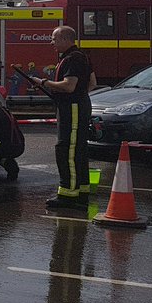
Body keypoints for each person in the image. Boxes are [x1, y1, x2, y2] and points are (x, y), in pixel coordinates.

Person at [28, 26, 95, 209]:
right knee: (78, 150)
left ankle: (68, 196)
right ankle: (80, 193)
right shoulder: (82, 56)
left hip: (72, 109)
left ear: (65, 39)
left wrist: (43, 82)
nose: (52, 43)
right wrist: (80, 96)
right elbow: (92, 83)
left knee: (67, 150)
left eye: (54, 39)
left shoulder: (72, 59)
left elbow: (69, 86)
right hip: (77, 105)